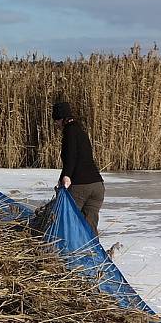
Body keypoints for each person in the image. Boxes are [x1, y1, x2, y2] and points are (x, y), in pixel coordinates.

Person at [53, 101, 104, 235]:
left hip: (82, 186)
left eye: (57, 120)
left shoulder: (69, 132)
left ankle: (67, 252)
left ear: (63, 119)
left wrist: (65, 176)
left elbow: (71, 157)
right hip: (97, 186)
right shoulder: (81, 132)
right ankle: (93, 253)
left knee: (68, 221)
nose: (56, 123)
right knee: (90, 227)